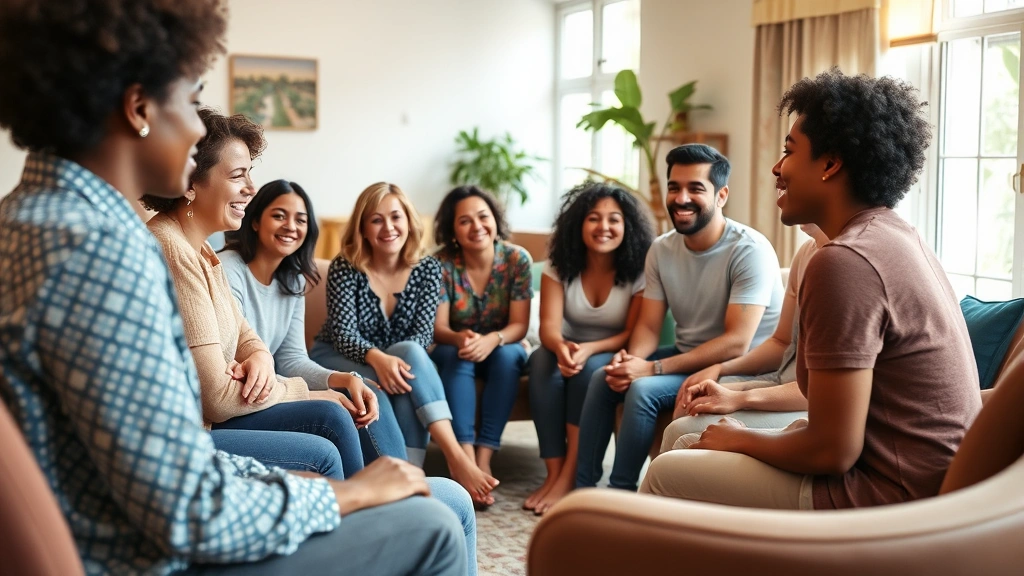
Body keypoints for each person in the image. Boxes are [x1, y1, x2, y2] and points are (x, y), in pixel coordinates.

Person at [0, 2, 466, 573]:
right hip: (146, 556)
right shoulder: (102, 249)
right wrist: (345, 494)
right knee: (438, 518)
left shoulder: (29, 217)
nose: (199, 130)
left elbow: (166, 460)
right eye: (193, 101)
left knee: (436, 496)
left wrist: (282, 478)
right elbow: (189, 512)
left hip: (133, 522)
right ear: (139, 107)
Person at [640, 69, 982, 510]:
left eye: (789, 151)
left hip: (887, 494)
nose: (776, 168)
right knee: (686, 437)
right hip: (912, 473)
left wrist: (743, 440)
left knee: (669, 471)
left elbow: (831, 452)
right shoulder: (895, 234)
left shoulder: (844, 262)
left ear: (831, 163)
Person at [220, 180, 478, 572]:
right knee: (337, 411)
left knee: (371, 382)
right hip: (245, 397)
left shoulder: (293, 280)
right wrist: (335, 383)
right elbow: (235, 365)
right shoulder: (228, 271)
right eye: (279, 215)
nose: (291, 225)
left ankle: (403, 485)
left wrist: (339, 379)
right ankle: (383, 503)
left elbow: (291, 358)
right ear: (254, 221)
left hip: (287, 382)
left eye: (301, 218)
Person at [144, 108, 368, 480]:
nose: (251, 188)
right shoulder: (172, 251)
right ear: (189, 183)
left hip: (209, 424)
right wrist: (301, 392)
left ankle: (377, 509)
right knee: (326, 425)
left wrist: (260, 359)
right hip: (184, 440)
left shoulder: (201, 250)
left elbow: (246, 335)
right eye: (237, 175)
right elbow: (215, 397)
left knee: (333, 414)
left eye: (250, 173)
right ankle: (372, 515)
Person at [575, 144, 784, 492]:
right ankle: (580, 490)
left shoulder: (750, 249)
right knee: (604, 376)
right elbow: (647, 325)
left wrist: (651, 370)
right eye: (674, 187)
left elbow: (736, 342)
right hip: (687, 357)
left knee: (643, 389)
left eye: (695, 188)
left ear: (721, 195)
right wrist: (634, 360)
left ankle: (623, 495)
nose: (681, 197)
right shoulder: (662, 248)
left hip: (741, 368)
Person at [309, 182, 498, 507]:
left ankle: (426, 471)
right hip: (340, 356)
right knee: (375, 386)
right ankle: (423, 476)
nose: (388, 227)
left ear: (409, 222)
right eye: (376, 219)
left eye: (395, 217)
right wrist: (378, 359)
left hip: (400, 362)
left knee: (409, 358)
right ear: (363, 228)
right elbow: (342, 333)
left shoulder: (427, 269)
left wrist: (389, 361)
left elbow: (423, 336)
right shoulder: (345, 266)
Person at [525, 182, 654, 514]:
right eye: (594, 219)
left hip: (613, 349)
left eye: (614, 219)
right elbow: (549, 327)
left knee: (589, 374)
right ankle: (553, 474)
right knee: (540, 361)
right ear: (579, 224)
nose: (604, 227)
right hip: (563, 346)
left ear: (627, 226)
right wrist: (564, 347)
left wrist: (587, 350)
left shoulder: (640, 268)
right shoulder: (559, 263)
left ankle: (571, 474)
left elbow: (631, 332)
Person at [658, 224, 829, 453]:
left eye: (787, 187)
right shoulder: (806, 252)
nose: (780, 198)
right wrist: (720, 368)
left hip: (805, 401)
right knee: (688, 402)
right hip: (780, 381)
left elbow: (820, 393)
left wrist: (739, 398)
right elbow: (781, 342)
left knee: (680, 430)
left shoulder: (841, 264)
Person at [431, 186, 533, 484]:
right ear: (452, 229)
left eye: (483, 217)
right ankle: (465, 458)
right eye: (465, 221)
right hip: (456, 345)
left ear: (495, 219)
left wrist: (493, 339)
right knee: (457, 356)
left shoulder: (517, 260)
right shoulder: (441, 264)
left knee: (509, 355)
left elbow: (519, 325)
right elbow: (439, 328)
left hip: (502, 343)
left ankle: (485, 457)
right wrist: (461, 338)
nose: (477, 227)